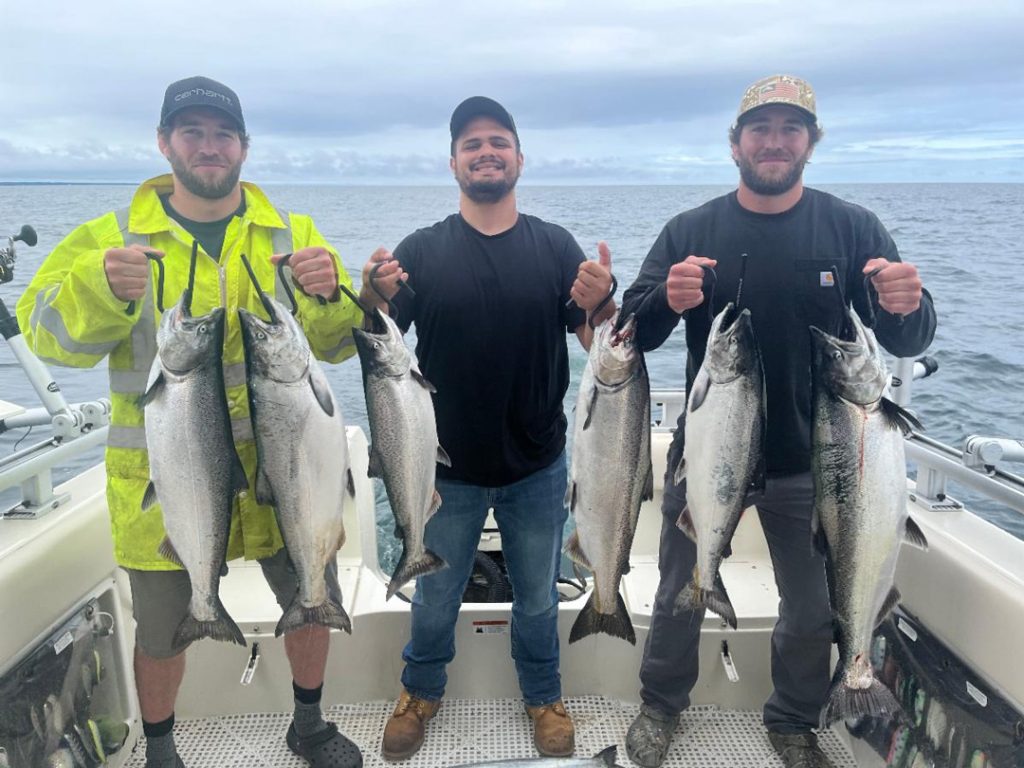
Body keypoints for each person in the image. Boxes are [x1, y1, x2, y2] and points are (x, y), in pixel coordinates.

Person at [17, 76, 365, 768]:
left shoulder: (291, 235)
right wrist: (98, 288)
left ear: (244, 146)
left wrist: (331, 293)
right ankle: (162, 750)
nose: (209, 146)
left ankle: (310, 724)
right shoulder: (108, 238)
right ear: (163, 142)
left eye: (222, 134)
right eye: (192, 132)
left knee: (309, 591)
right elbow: (46, 333)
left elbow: (338, 341)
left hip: (284, 472)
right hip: (165, 483)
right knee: (160, 631)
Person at [619, 74, 937, 768]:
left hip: (819, 463)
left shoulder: (849, 227)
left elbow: (907, 338)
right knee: (680, 591)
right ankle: (659, 706)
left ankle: (794, 718)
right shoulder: (691, 229)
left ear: (810, 145)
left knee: (812, 606)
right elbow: (629, 334)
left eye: (790, 129)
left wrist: (908, 305)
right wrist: (665, 303)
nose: (774, 142)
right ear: (735, 143)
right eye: (760, 129)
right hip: (708, 456)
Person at [358, 96, 615, 761]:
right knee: (435, 594)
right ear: (453, 164)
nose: (485, 152)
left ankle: (543, 696)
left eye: (498, 141)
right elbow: (378, 337)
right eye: (471, 144)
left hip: (538, 464)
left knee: (536, 597)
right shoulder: (423, 249)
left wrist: (602, 301)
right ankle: (420, 692)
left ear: (520, 159)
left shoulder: (555, 246)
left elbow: (598, 344)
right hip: (444, 468)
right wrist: (371, 293)